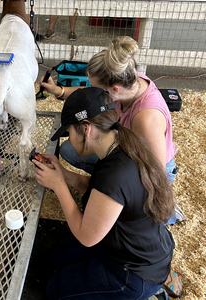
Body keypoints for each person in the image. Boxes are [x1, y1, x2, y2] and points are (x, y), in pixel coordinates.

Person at [32, 87, 175, 299]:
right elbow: (101, 192)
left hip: (133, 272)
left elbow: (86, 236)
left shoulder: (115, 174)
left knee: (56, 289)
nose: (69, 139)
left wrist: (59, 186)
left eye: (69, 132)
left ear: (86, 128)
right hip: (131, 244)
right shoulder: (120, 144)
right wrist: (62, 174)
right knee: (54, 258)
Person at [41, 36, 185, 226]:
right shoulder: (131, 81)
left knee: (121, 191)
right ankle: (104, 187)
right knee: (70, 150)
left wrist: (117, 189)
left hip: (152, 169)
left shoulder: (146, 118)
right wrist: (59, 91)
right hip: (126, 150)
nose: (94, 93)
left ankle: (165, 212)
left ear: (113, 89)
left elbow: (155, 171)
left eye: (98, 89)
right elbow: (89, 96)